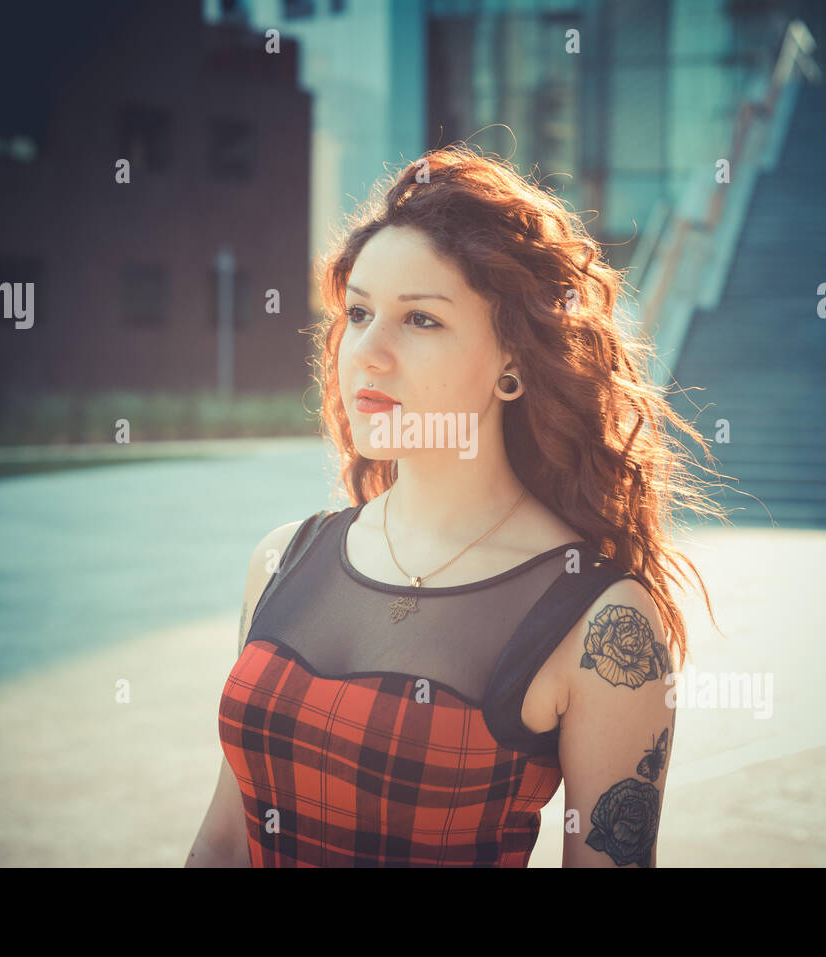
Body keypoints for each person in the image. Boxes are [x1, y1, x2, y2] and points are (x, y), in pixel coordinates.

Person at [186, 144, 726, 868]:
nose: (367, 353)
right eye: (359, 312)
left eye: (421, 320)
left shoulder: (604, 621)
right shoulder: (283, 558)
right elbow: (224, 837)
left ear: (512, 361)